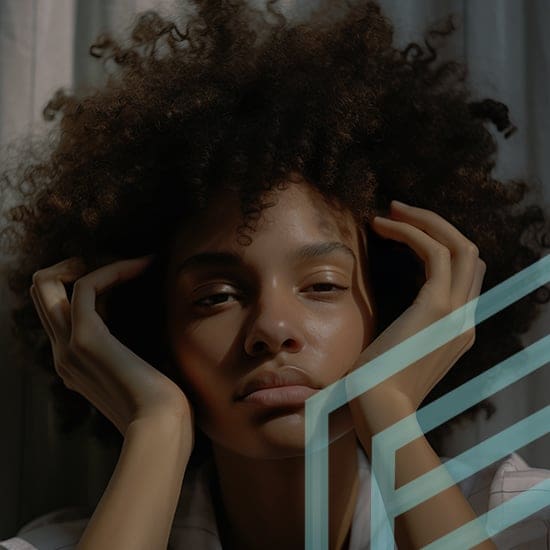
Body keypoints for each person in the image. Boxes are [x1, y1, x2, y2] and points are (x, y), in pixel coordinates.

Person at [0, 0, 549, 548]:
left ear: (395, 309)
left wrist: (389, 409)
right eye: (216, 296)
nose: (272, 328)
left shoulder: (516, 516)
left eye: (324, 286)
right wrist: (157, 429)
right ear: (153, 335)